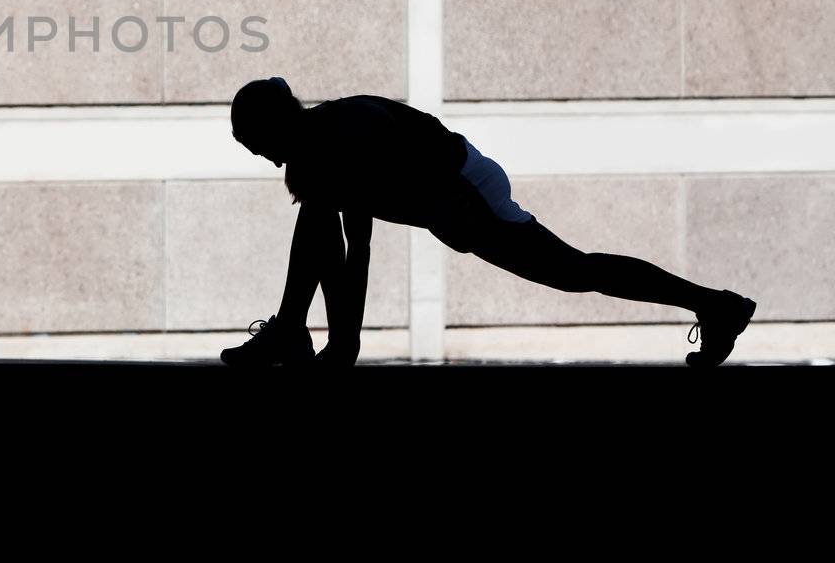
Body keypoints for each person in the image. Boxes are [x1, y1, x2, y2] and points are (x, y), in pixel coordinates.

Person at [221, 76, 756, 369]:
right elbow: (338, 248)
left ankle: (715, 304)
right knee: (315, 215)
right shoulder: (316, 158)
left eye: (259, 146)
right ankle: (290, 331)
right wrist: (341, 346)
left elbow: (356, 249)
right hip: (447, 204)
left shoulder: (345, 134)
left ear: (277, 125)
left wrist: (344, 349)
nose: (265, 160)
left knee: (575, 272)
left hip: (470, 192)